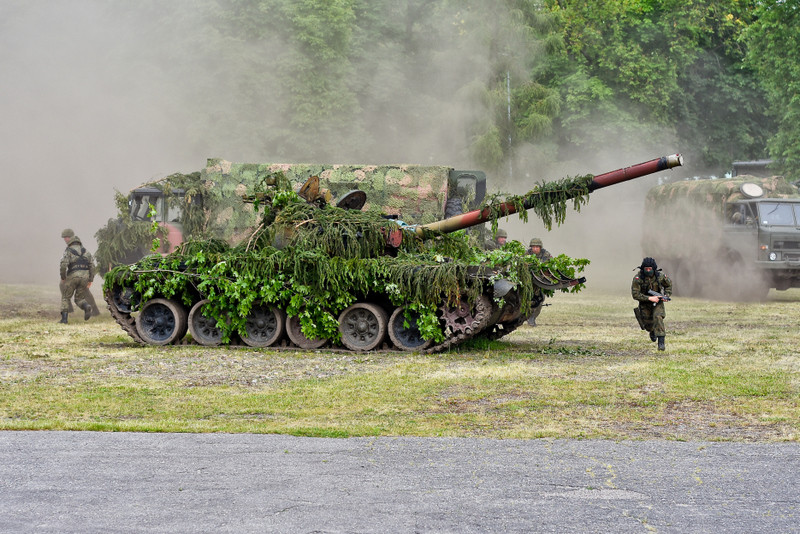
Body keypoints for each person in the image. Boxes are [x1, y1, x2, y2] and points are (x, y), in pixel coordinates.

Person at [631, 257, 672, 351]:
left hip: (658, 302)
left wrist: (666, 295)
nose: (648, 271)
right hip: (644, 303)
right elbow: (635, 294)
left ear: (654, 269)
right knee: (648, 325)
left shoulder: (660, 276)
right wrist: (649, 298)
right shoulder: (638, 278)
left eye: (650, 269)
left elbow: (668, 285)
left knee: (658, 317)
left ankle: (661, 343)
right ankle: (652, 331)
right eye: (646, 269)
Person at [59, 228, 96, 323]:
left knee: (66, 297)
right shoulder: (85, 251)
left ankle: (64, 320)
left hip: (73, 276)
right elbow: (92, 266)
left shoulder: (68, 250)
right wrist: (90, 280)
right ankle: (86, 306)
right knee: (79, 298)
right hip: (85, 277)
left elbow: (63, 265)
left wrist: (63, 277)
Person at [526, 238, 553, 326]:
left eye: (537, 247)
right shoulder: (527, 254)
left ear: (540, 247)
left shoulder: (546, 254)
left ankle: (532, 318)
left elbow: (549, 266)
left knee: (540, 299)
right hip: (529, 281)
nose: (535, 249)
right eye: (533, 247)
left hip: (541, 281)